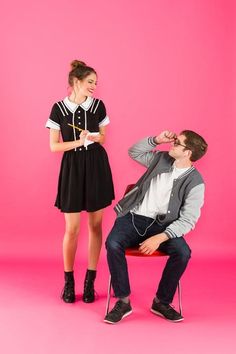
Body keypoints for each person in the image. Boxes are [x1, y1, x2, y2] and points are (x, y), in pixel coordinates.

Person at [104, 130, 208, 323]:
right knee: (113, 243)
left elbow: (188, 219)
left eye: (178, 142)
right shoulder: (160, 159)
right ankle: (123, 301)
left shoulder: (196, 182)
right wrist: (156, 140)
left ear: (188, 153)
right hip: (134, 218)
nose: (173, 143)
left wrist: (160, 237)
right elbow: (134, 152)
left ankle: (161, 302)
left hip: (164, 227)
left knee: (183, 252)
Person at [46, 60, 114, 304]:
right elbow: (54, 146)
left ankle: (90, 282)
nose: (94, 86)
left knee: (95, 227)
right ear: (76, 81)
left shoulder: (98, 106)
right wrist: (79, 142)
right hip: (72, 168)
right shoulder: (58, 109)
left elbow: (103, 138)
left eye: (96, 83)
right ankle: (69, 282)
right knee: (72, 229)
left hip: (96, 166)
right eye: (90, 82)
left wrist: (94, 137)